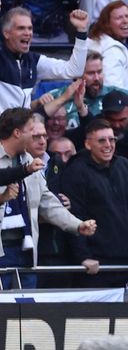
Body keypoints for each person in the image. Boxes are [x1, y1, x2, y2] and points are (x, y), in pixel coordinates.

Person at [0, 108, 96, 289]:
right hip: (2, 250)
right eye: (32, 132)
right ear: (17, 133)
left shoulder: (28, 160)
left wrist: (77, 224)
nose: (39, 140)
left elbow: (48, 201)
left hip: (26, 249)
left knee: (26, 310)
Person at [59, 118, 128, 287]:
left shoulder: (124, 165)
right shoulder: (76, 171)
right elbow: (72, 216)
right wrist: (83, 256)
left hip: (127, 262)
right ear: (87, 144)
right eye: (101, 140)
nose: (108, 145)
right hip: (95, 265)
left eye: (111, 139)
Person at [0, 7, 89, 111]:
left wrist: (82, 31)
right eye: (21, 28)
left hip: (23, 125)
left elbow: (74, 70)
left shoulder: (34, 61)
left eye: (30, 28)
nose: (27, 33)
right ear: (6, 33)